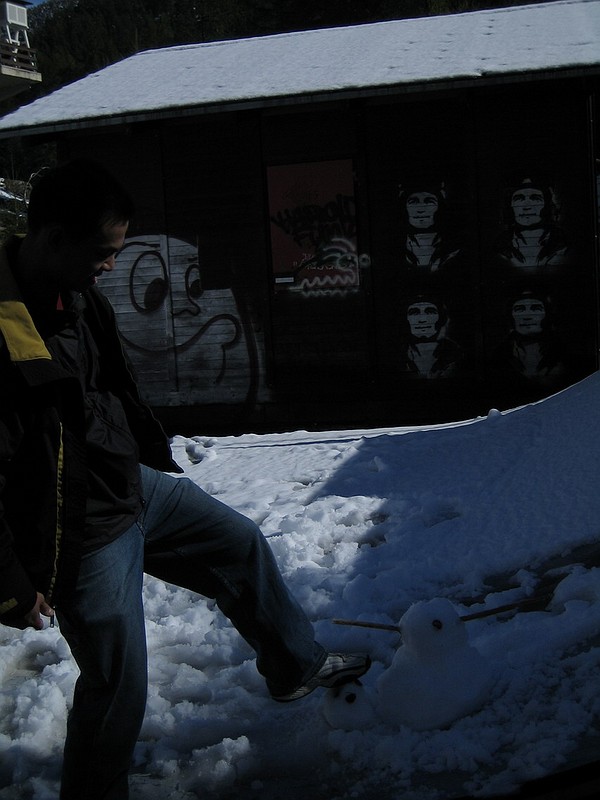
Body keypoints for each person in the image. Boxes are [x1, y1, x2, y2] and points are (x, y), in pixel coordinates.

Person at [0, 159, 370, 800]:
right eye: (103, 252)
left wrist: (144, 452)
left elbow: (108, 388)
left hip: (130, 485)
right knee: (119, 685)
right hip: (80, 532)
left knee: (240, 545)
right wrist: (9, 581)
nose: (111, 266)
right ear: (54, 238)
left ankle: (295, 667)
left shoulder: (76, 293)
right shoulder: (5, 332)